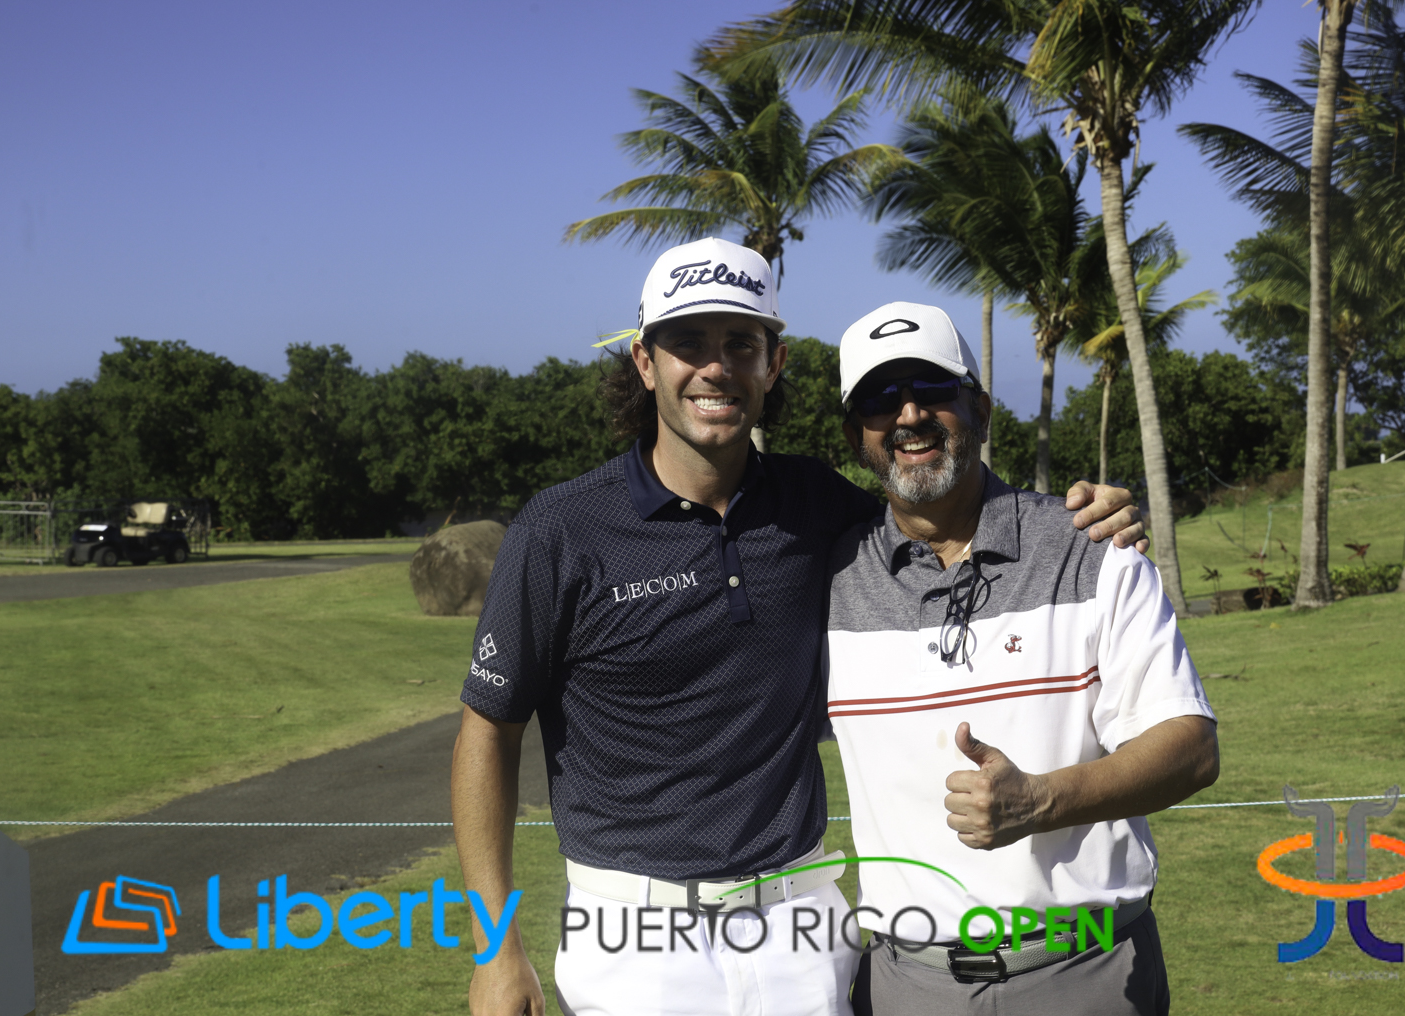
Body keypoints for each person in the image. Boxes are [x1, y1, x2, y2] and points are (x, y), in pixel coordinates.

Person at [451, 240, 1146, 1016]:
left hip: (800, 925)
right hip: (634, 933)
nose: (716, 368)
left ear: (773, 364)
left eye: (741, 345)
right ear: (646, 363)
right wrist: (495, 947)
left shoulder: (816, 503)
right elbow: (487, 732)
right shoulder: (560, 529)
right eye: (688, 344)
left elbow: (940, 508)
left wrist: (1068, 520)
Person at [823, 302, 1220, 1015]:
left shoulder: (1093, 549)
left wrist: (1039, 802)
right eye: (880, 399)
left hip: (1086, 970)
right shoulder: (825, 582)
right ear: (858, 436)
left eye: (932, 388)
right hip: (904, 984)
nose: (909, 414)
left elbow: (1190, 748)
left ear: (980, 410)